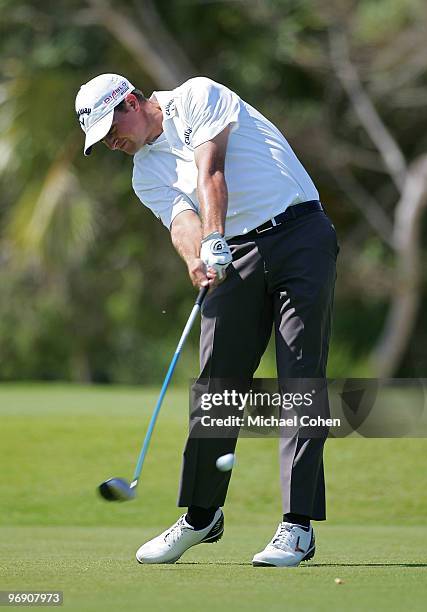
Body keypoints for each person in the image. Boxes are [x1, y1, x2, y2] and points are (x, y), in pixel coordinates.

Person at [75, 73, 338, 567]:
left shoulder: (196, 95)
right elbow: (182, 219)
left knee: (301, 378)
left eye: (113, 125)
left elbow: (210, 169)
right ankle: (201, 517)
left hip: (299, 233)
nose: (111, 141)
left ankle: (297, 527)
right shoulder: (142, 172)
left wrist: (215, 236)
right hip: (233, 252)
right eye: (102, 138)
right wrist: (196, 257)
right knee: (216, 384)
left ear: (132, 101)